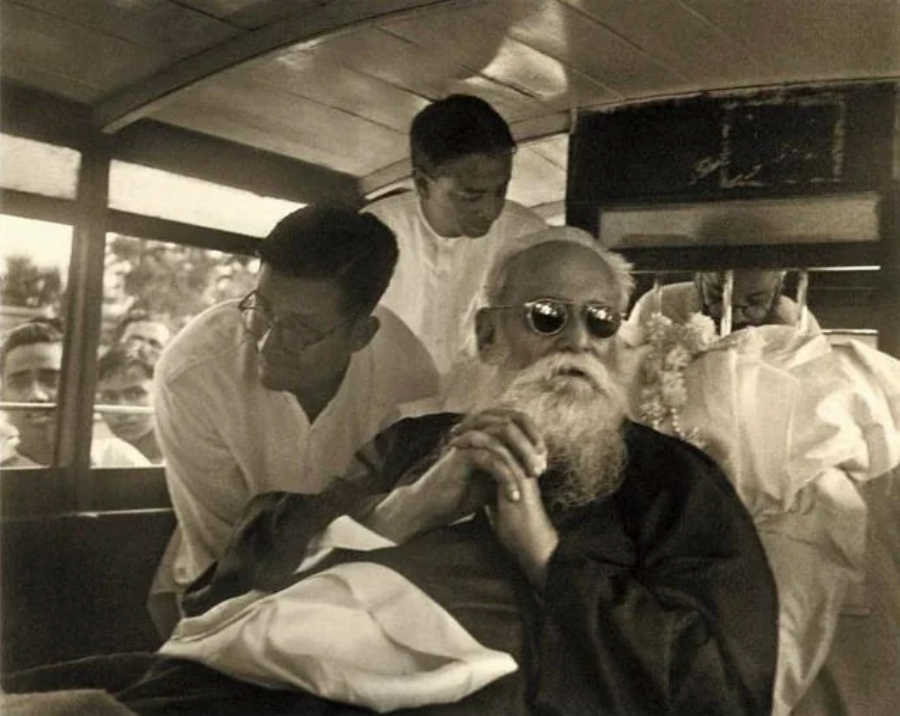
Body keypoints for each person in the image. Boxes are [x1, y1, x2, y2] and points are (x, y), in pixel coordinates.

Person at [75, 226, 771, 716]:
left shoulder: (674, 482)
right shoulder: (415, 444)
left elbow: (719, 688)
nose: (578, 342)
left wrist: (547, 559)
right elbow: (234, 576)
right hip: (274, 677)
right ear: (488, 334)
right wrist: (402, 511)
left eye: (601, 320)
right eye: (548, 317)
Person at [151, 205, 439, 607]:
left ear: (361, 334)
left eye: (301, 329)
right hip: (217, 587)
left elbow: (400, 527)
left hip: (357, 594)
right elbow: (222, 550)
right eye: (262, 310)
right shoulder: (193, 376)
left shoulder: (409, 377)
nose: (267, 343)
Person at [364, 94, 546, 377]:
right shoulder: (373, 232)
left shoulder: (528, 236)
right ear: (422, 184)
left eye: (501, 190)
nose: (490, 210)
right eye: (470, 196)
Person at [0, 318, 149, 468]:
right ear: (2, 395)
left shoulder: (118, 459)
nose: (37, 396)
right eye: (19, 383)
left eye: (52, 380)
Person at [627, 268, 822, 334]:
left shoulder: (797, 323)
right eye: (716, 296)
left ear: (778, 284)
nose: (734, 315)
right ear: (699, 278)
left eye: (754, 302)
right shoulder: (657, 306)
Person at [96, 343, 163, 464]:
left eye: (135, 394)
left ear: (162, 395)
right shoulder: (97, 459)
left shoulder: (187, 457)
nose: (122, 410)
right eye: (110, 397)